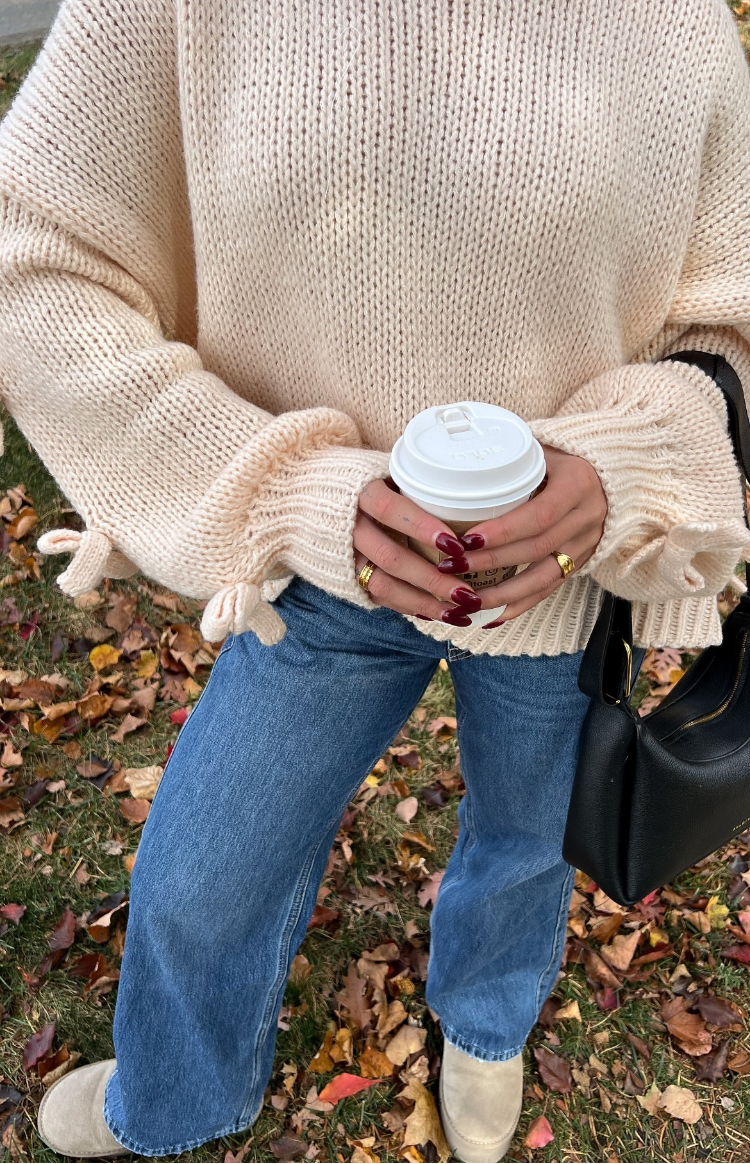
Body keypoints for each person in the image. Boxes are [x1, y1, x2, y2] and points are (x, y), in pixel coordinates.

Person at [1, 0, 749, 1159]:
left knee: (528, 845)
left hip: (564, 577)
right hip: (312, 568)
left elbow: (731, 311)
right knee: (204, 872)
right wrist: (276, 489)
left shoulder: (677, 18)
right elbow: (31, 255)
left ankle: (489, 1027)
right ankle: (180, 1087)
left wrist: (629, 461)